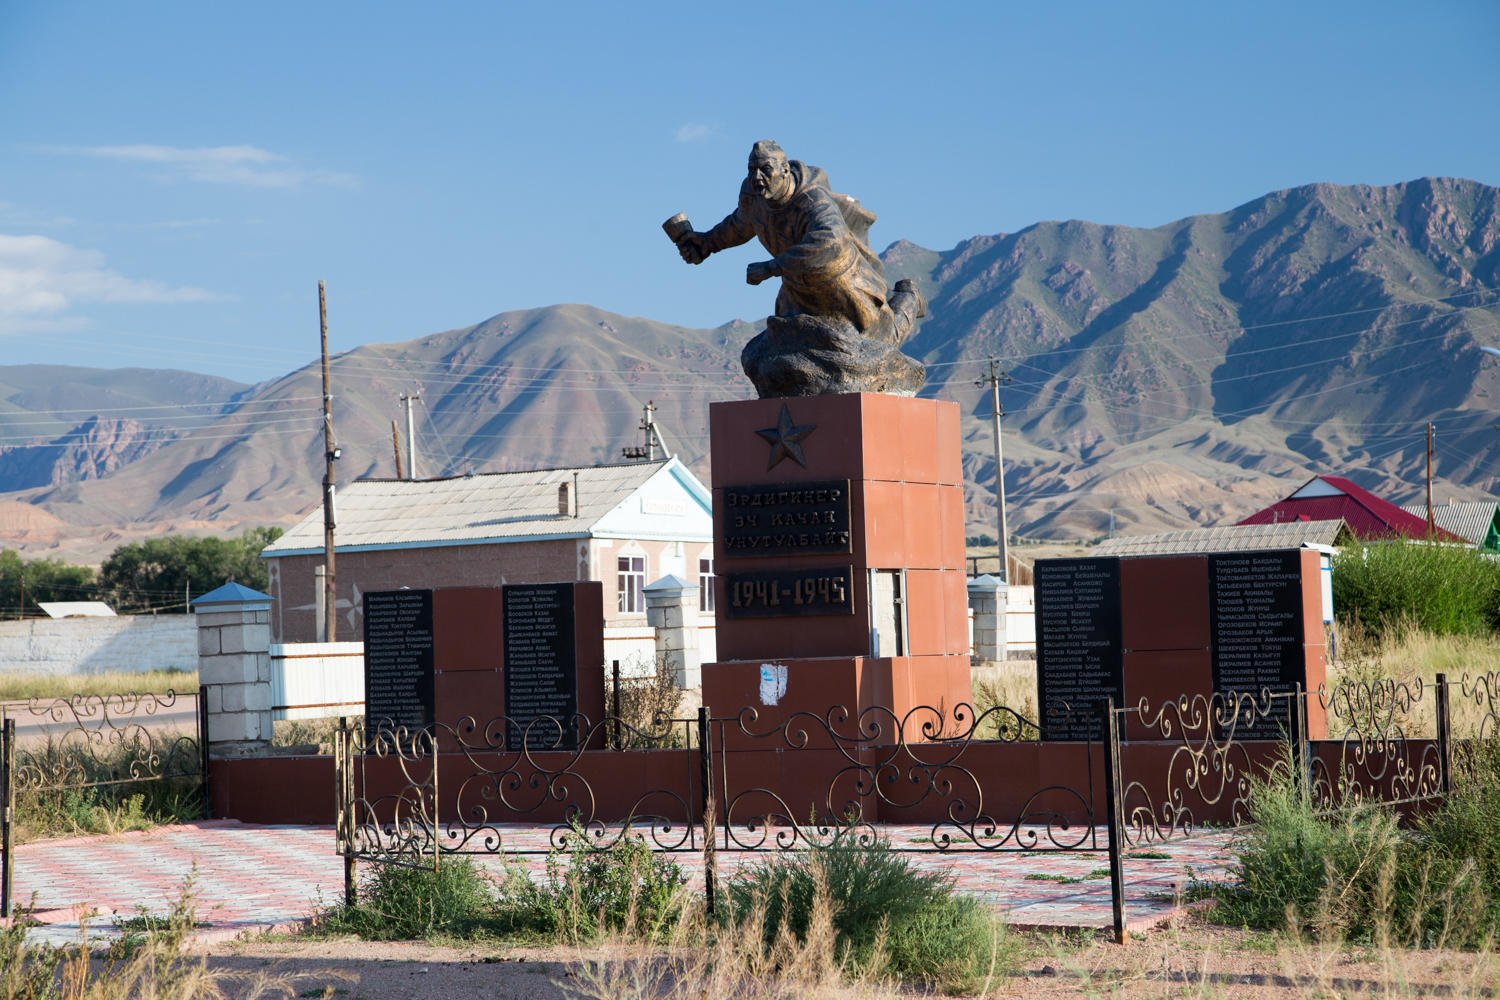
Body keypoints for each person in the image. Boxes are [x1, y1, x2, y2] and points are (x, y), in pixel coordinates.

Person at [674, 140, 924, 348]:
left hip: (841, 281)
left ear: (784, 170)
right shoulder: (754, 195)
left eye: (765, 169)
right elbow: (740, 224)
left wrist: (771, 268)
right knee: (783, 348)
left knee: (879, 341)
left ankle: (909, 297)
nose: (757, 177)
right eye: (752, 170)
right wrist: (706, 243)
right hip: (796, 286)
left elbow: (829, 240)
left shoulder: (812, 199)